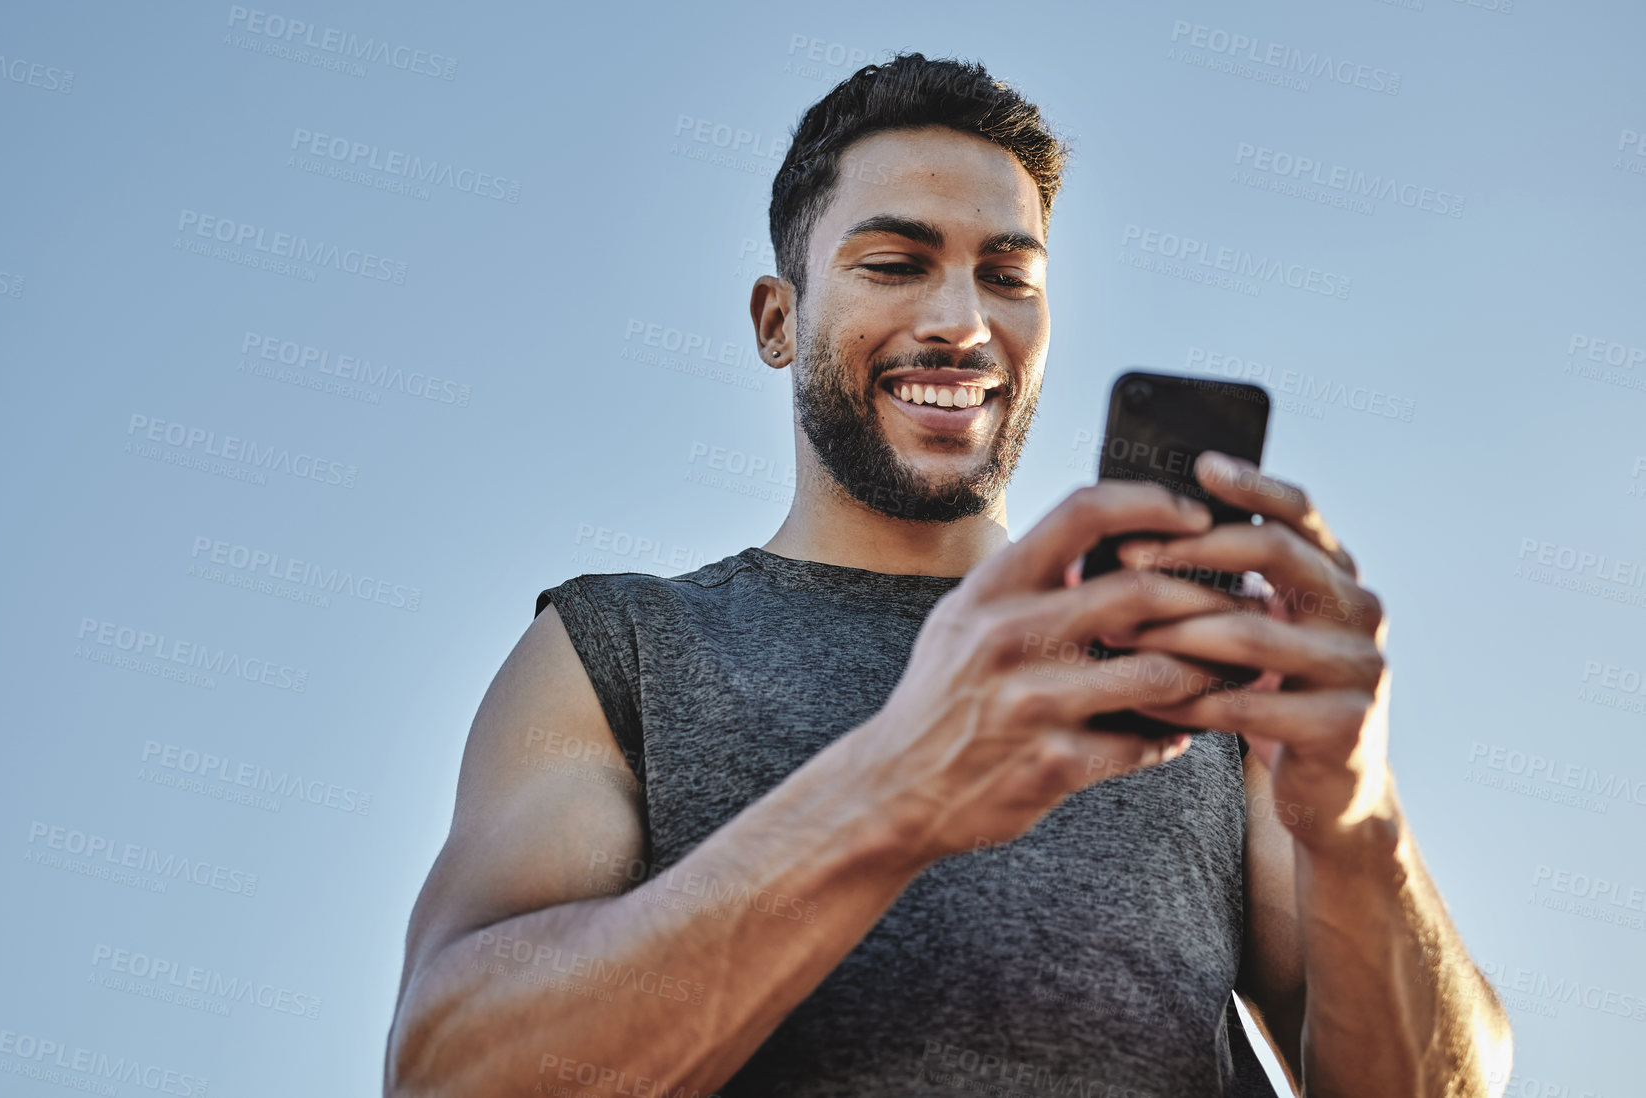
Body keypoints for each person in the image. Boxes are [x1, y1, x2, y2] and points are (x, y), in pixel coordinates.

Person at [384, 53, 1512, 1097]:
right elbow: (451, 1068)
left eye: (1007, 276)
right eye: (893, 264)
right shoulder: (619, 646)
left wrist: (1360, 826)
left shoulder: (1185, 652)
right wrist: (892, 789)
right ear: (778, 321)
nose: (961, 323)